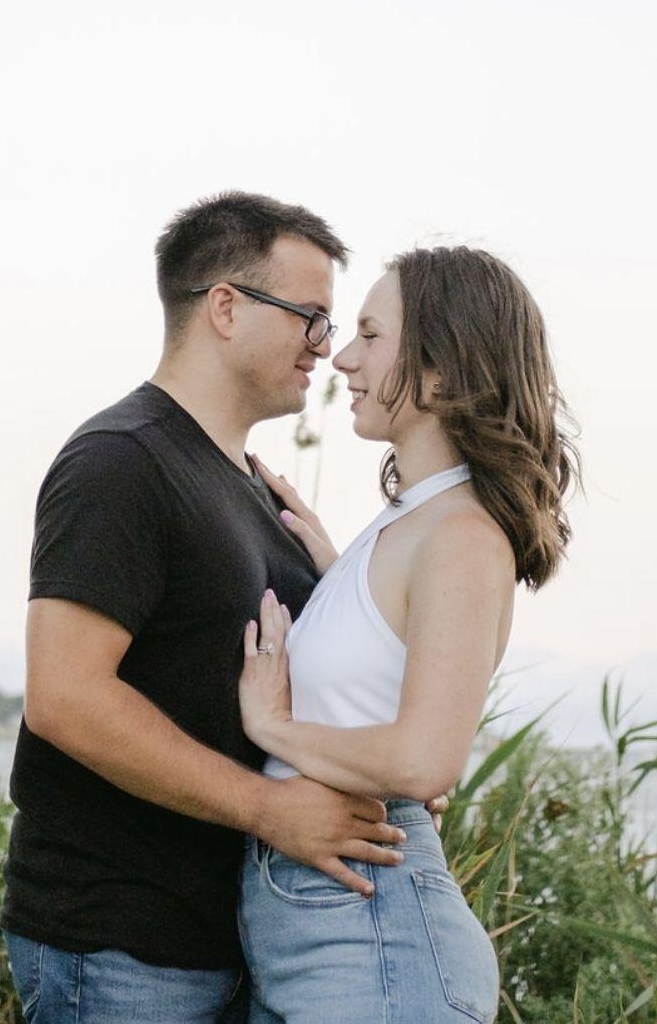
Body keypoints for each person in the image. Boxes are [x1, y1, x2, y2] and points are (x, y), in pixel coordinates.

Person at [1, 191, 428, 1024]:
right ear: (225, 308)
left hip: (231, 945)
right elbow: (65, 697)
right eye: (310, 317)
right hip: (121, 947)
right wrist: (269, 811)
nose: (324, 348)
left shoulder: (253, 488)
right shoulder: (122, 461)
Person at [234, 246, 580, 1024]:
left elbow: (426, 760)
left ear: (440, 372)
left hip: (375, 939)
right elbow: (375, 674)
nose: (342, 359)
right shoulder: (408, 525)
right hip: (329, 932)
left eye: (370, 335)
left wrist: (272, 726)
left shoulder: (460, 535)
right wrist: (334, 580)